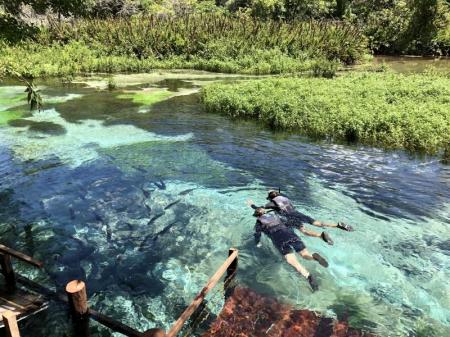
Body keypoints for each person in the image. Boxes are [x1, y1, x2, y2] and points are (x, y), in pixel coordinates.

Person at [253, 207, 328, 292]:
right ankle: (314, 257)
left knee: (292, 260)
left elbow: (257, 234)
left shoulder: (259, 223)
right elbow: (289, 222)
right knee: (304, 254)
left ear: (257, 216)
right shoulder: (276, 216)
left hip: (279, 239)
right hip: (290, 234)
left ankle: (308, 276)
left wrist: (257, 243)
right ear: (265, 212)